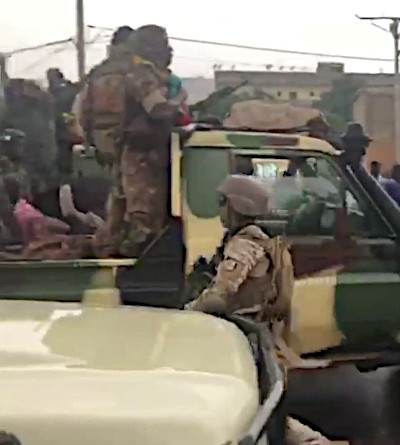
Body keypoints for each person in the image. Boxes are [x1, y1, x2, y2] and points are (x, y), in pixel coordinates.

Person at [185, 174, 333, 445]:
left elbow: (219, 298)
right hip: (260, 337)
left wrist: (188, 313)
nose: (220, 209)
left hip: (244, 340)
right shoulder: (263, 241)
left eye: (222, 202)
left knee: (260, 414)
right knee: (266, 413)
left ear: (237, 206)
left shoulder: (244, 245)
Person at [83, 25, 179, 257]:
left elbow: (82, 113)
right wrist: (180, 102)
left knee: (119, 209)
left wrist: (94, 142)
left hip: (121, 149)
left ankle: (108, 253)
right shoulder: (140, 73)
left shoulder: (101, 73)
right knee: (145, 216)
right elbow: (157, 108)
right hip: (144, 153)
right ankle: (133, 265)